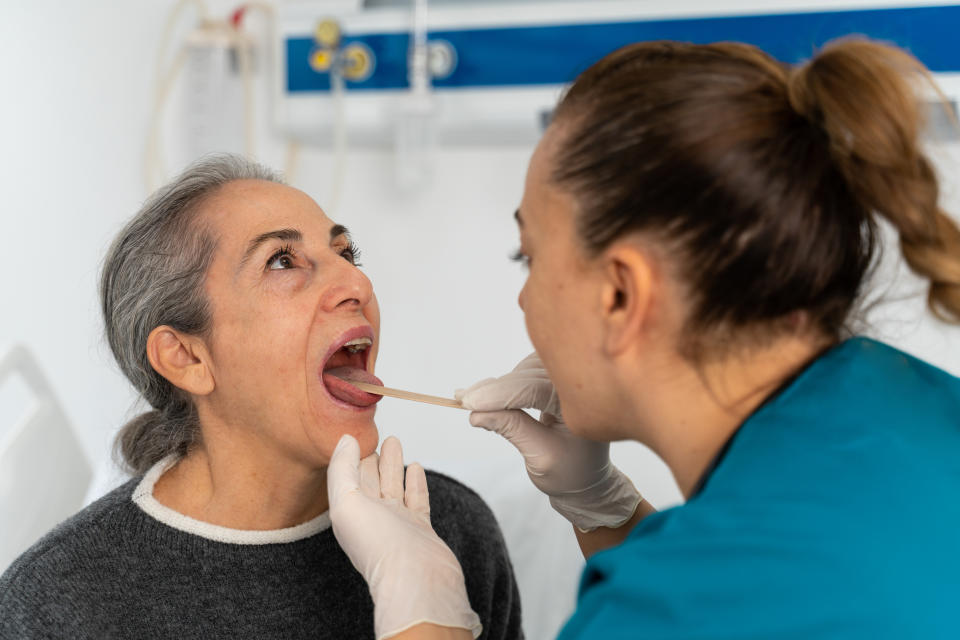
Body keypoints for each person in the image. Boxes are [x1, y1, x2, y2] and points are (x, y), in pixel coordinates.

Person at [322, 37, 960, 639]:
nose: (524, 299)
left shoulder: (670, 607)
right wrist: (606, 509)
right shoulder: (912, 401)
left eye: (529, 258)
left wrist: (425, 611)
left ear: (623, 294)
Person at [0, 155, 522, 640]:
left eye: (346, 252)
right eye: (281, 261)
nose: (356, 281)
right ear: (187, 357)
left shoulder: (447, 534)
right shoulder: (56, 606)